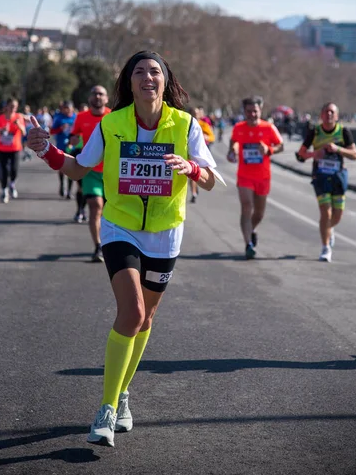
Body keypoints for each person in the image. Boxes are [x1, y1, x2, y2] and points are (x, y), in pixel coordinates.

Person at [27, 50, 220, 448]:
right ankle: (106, 408)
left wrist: (192, 170)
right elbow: (79, 167)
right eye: (139, 72)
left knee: (145, 320)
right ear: (128, 83)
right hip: (120, 227)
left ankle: (124, 392)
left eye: (155, 71)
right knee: (130, 311)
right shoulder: (110, 124)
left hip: (165, 232)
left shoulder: (185, 125)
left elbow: (213, 179)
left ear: (166, 81)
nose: (147, 77)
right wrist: (46, 150)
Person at [296, 102, 356, 262]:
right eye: (326, 112)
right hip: (320, 177)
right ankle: (326, 248)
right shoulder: (315, 132)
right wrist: (314, 154)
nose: (329, 115)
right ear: (321, 115)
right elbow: (300, 155)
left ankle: (329, 230)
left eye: (332, 112)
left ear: (336, 116)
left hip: (338, 177)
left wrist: (338, 149)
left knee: (337, 215)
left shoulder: (343, 131)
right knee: (326, 212)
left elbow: (354, 154)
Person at [227, 95, 283, 259]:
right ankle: (248, 245)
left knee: (259, 213)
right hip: (244, 175)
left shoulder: (268, 128)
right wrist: (233, 151)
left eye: (255, 111)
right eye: (249, 111)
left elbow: (281, 145)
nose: (252, 114)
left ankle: (251, 230)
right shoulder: (239, 127)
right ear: (244, 112)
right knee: (246, 206)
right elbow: (234, 142)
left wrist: (268, 149)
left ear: (260, 110)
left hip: (263, 177)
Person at [69, 86, 111, 261]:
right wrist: (72, 142)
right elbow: (73, 136)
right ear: (89, 97)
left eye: (101, 94)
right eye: (94, 93)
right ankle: (98, 246)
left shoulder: (113, 116)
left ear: (106, 98)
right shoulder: (81, 117)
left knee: (110, 212)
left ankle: (111, 244)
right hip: (90, 170)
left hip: (112, 171)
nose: (98, 96)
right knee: (95, 206)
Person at [0, 98, 26, 203]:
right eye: (11, 106)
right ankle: (4, 191)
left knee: (14, 170)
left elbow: (24, 132)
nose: (13, 108)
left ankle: (12, 184)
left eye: (15, 106)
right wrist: (0, 130)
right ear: (6, 107)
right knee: (4, 171)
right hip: (1, 149)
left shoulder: (18, 117)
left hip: (15, 149)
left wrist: (19, 125)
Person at [51, 100, 77, 199]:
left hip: (73, 147)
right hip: (61, 146)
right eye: (65, 109)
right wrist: (60, 129)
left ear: (72, 108)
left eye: (68, 109)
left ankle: (69, 191)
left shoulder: (76, 117)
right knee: (62, 168)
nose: (66, 111)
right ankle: (62, 184)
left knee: (71, 169)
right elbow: (52, 131)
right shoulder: (59, 118)